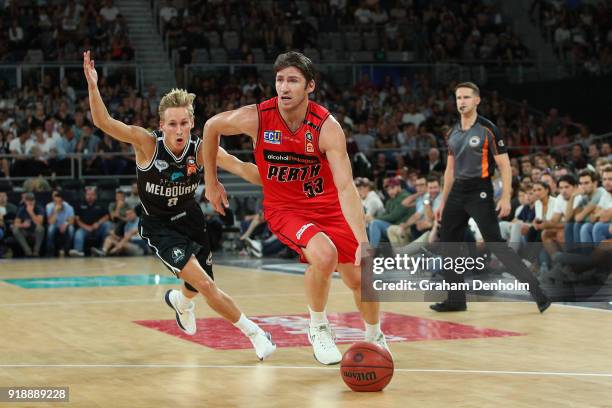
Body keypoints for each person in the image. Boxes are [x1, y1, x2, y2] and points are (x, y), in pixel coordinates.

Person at [83, 51, 276, 360]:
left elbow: (242, 168)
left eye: (184, 123)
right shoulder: (147, 143)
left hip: (191, 217)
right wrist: (93, 85)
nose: (178, 130)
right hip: (159, 225)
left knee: (200, 285)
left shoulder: (200, 150)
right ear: (161, 125)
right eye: (171, 124)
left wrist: (285, 180)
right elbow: (103, 122)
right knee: (205, 284)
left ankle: (181, 301)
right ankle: (255, 333)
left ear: (192, 123)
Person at [202, 51, 389, 365]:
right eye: (279, 80)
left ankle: (374, 337)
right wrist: (211, 182)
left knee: (360, 276)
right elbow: (210, 126)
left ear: (309, 86)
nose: (284, 87)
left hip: (328, 206)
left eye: (293, 80)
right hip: (285, 208)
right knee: (324, 255)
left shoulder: (326, 128)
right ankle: (318, 327)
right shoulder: (258, 116)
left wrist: (363, 240)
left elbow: (346, 187)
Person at [433, 81, 550, 312]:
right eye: (458, 98)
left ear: (477, 100)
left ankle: (538, 293)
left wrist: (506, 197)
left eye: (466, 97)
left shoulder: (488, 129)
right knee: (449, 245)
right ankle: (456, 300)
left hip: (480, 190)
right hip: (457, 191)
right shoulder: (453, 132)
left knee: (496, 244)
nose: (462, 102)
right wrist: (443, 201)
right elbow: (449, 170)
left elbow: (505, 166)